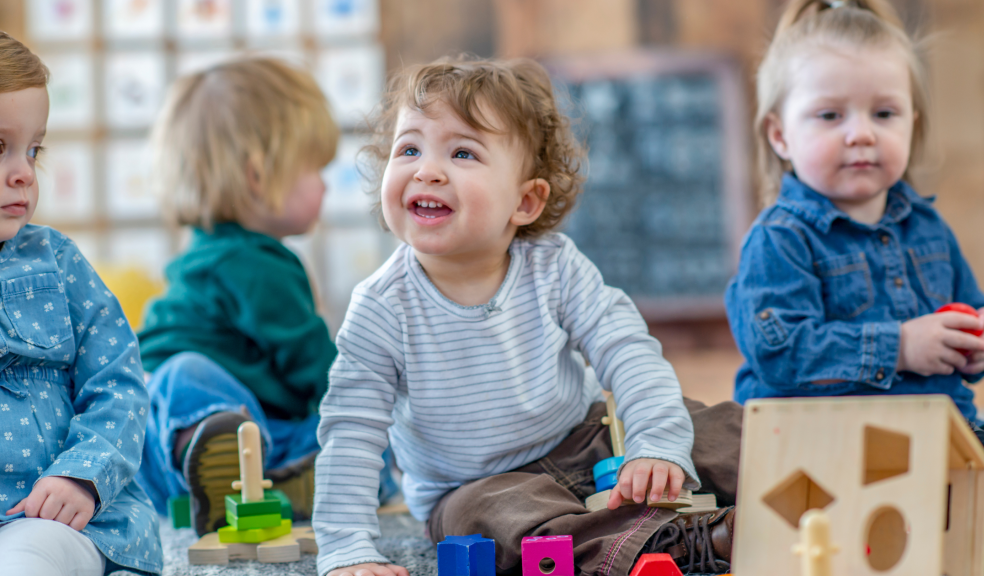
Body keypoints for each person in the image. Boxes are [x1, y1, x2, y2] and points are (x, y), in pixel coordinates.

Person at [313, 57, 743, 576]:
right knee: (486, 523)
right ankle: (690, 541)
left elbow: (627, 350)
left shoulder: (554, 266)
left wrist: (657, 444)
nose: (426, 170)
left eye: (462, 152)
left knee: (725, 429)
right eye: (409, 149)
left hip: (588, 436)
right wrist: (347, 549)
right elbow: (351, 432)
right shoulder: (381, 307)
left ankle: (794, 489)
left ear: (526, 201)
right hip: (476, 486)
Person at [724, 0, 984, 565]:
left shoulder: (928, 227)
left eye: (884, 113)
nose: (861, 134)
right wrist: (900, 346)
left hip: (940, 437)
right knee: (830, 523)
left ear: (914, 122)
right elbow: (779, 351)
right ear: (780, 135)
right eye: (830, 116)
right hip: (822, 451)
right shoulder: (780, 239)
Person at [134, 56, 398, 536]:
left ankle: (258, 482)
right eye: (314, 169)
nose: (324, 185)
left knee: (348, 448)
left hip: (163, 459)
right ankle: (218, 454)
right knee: (188, 375)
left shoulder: (203, 253)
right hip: (195, 435)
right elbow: (319, 368)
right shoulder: (259, 264)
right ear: (258, 175)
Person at [0, 31, 161, 575]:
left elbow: (119, 383)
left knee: (27, 561)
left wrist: (83, 475)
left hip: (53, 519)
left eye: (34, 150)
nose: (24, 172)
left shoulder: (56, 261)